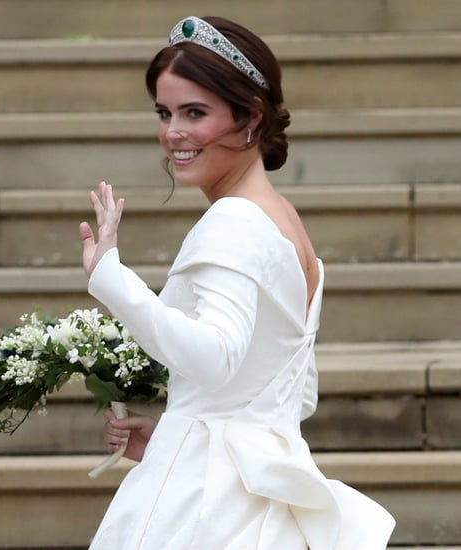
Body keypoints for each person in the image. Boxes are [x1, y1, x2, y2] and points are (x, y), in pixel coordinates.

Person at [79, 15, 395, 550]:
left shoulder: (234, 220)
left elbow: (215, 359)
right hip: (251, 490)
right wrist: (177, 435)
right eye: (165, 112)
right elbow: (294, 391)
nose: (173, 131)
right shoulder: (281, 218)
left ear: (249, 117)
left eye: (194, 113)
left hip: (207, 508)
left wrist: (110, 276)